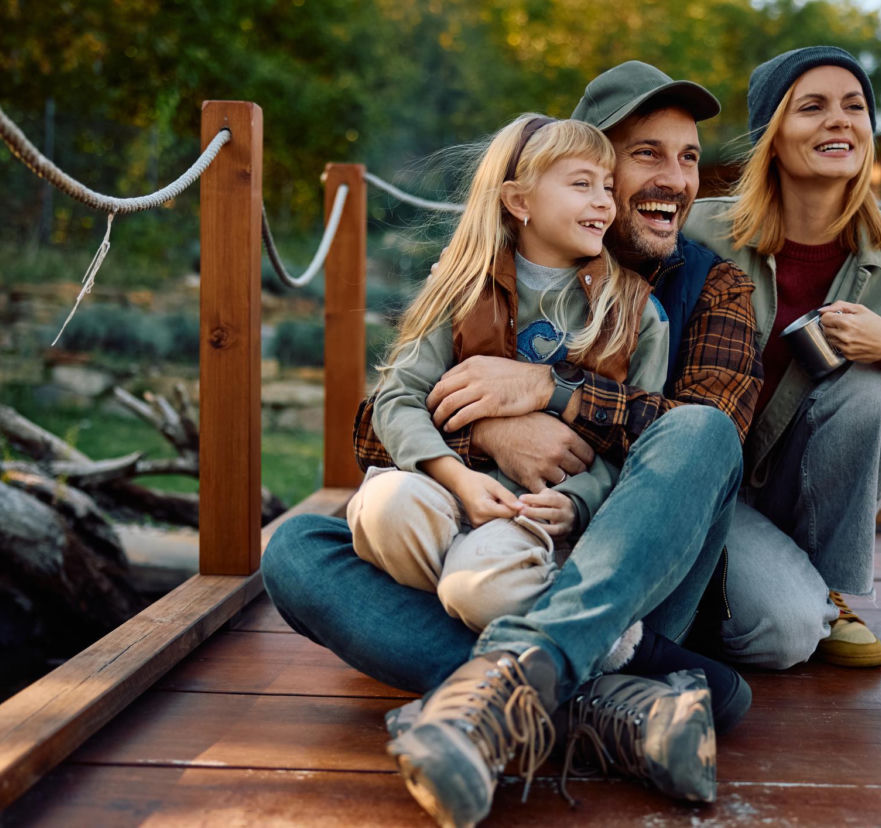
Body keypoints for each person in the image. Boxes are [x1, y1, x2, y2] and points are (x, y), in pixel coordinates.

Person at [263, 61, 763, 827]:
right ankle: (599, 705)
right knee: (295, 550)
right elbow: (374, 428)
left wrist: (549, 393)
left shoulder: (709, 288)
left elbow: (695, 443)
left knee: (698, 431)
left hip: (616, 570)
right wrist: (489, 424)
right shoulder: (479, 275)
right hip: (485, 539)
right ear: (553, 175)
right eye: (644, 156)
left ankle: (505, 684)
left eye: (689, 157)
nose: (674, 179)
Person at [681, 46, 881, 669]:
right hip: (694, 480)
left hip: (794, 495)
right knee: (776, 629)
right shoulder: (698, 232)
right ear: (772, 134)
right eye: (813, 107)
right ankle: (716, 593)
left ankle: (819, 592)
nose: (840, 121)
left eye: (854, 107)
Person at [347, 114, 669, 655]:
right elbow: (398, 398)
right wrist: (459, 480)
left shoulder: (635, 310)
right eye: (581, 184)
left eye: (608, 187)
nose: (603, 202)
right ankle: (519, 636)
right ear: (520, 202)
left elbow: (642, 438)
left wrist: (580, 502)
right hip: (452, 491)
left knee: (479, 587)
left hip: (531, 516)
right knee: (383, 504)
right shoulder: (461, 288)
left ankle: (591, 637)